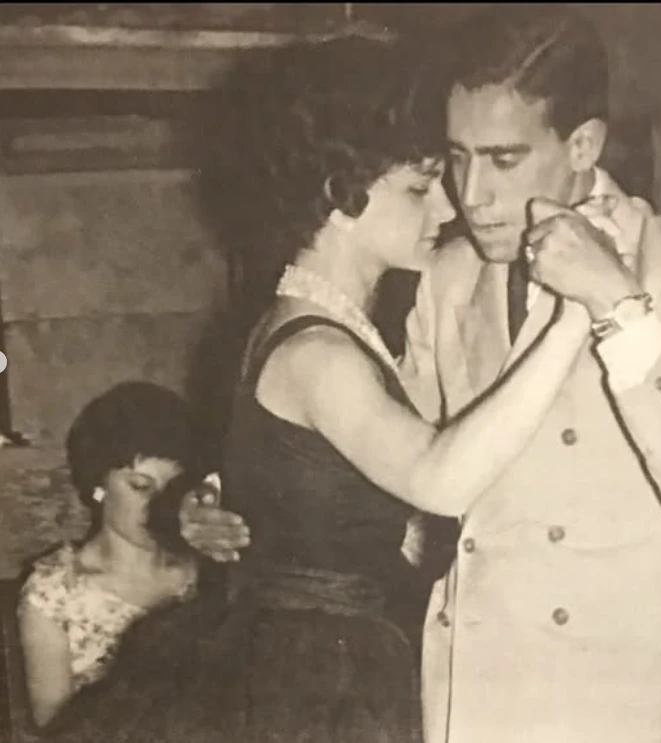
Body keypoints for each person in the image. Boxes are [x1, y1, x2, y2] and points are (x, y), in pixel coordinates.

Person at [184, 5, 661, 743]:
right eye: (455, 158)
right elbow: (391, 453)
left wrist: (615, 303)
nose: (471, 193)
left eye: (502, 159)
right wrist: (242, 495)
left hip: (621, 708)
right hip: (473, 699)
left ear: (583, 144)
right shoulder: (448, 274)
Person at [42, 33, 611, 743]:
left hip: (314, 655)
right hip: (313, 680)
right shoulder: (318, 352)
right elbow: (440, 481)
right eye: (419, 186)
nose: (448, 207)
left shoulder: (319, 324)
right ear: (341, 195)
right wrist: (579, 313)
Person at [17, 381, 201, 728]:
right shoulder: (54, 594)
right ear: (98, 482)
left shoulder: (197, 574)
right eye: (140, 486)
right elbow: (55, 728)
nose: (157, 504)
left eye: (172, 489)